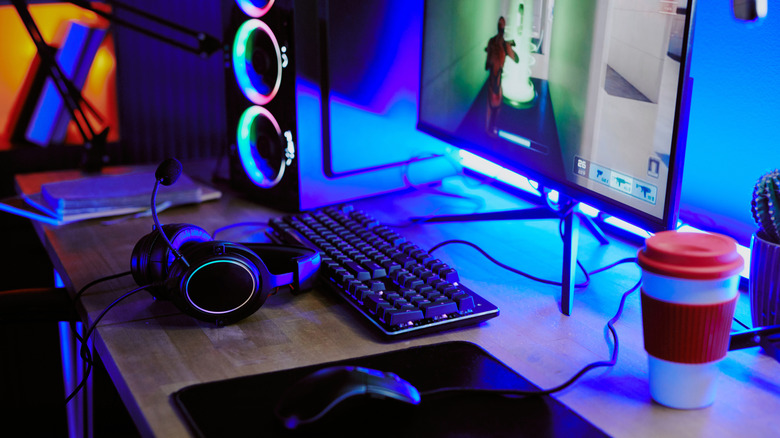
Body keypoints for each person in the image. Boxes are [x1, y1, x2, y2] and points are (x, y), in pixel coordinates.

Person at [485, 16, 519, 136]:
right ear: (504, 29)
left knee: (490, 106)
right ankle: (493, 131)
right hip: (497, 80)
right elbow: (517, 59)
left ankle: (488, 131)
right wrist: (509, 46)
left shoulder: (491, 41)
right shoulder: (505, 45)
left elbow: (487, 65)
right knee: (497, 105)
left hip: (491, 80)